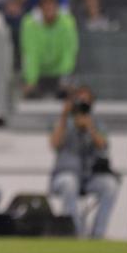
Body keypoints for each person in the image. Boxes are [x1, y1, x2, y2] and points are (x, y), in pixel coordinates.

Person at [50, 86, 118, 238]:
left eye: (86, 102)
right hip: (64, 174)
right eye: (79, 101)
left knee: (110, 186)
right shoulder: (63, 122)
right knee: (69, 183)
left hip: (89, 177)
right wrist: (64, 116)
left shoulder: (96, 124)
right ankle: (76, 233)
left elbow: (103, 146)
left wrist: (90, 128)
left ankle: (97, 235)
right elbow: (54, 144)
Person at [20, 0, 78, 98]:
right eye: (45, 6)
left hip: (61, 72)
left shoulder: (67, 23)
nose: (49, 9)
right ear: (40, 9)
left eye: (52, 6)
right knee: (29, 92)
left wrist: (64, 78)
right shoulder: (29, 24)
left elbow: (69, 52)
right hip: (38, 72)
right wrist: (31, 80)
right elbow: (30, 53)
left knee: (69, 90)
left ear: (57, 8)